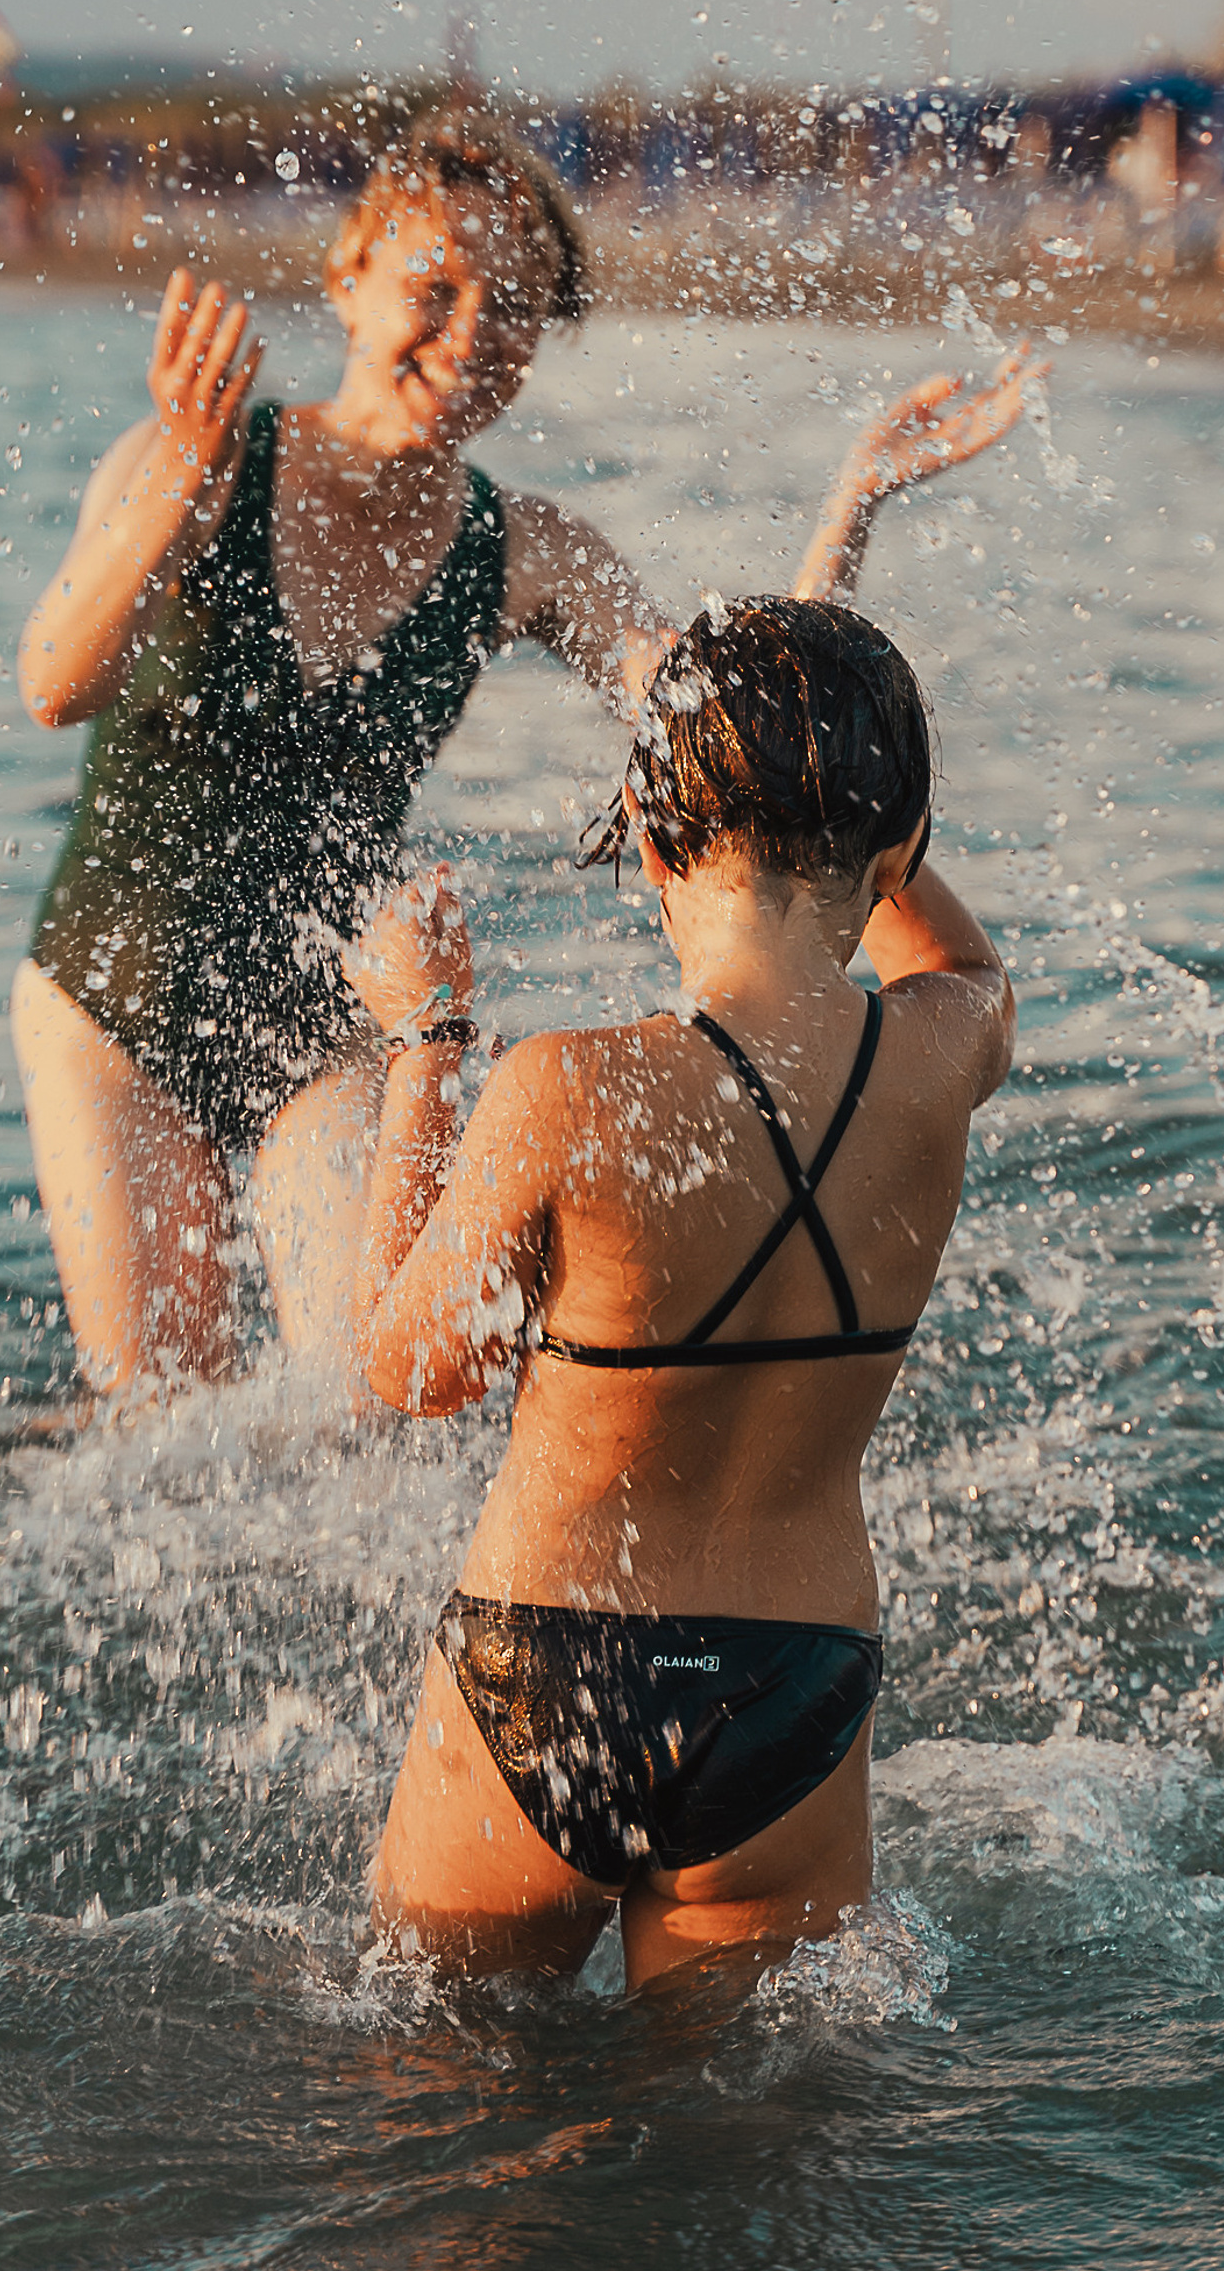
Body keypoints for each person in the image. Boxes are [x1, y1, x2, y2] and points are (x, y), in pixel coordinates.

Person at [11, 105, 1036, 1391]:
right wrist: (184, 472)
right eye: (435, 289)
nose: (470, 336)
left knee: (368, 1406)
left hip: (330, 1014)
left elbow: (729, 730)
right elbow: (55, 683)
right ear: (349, 273)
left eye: (512, 311)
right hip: (115, 992)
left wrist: (852, 503)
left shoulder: (528, 551)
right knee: (159, 1415)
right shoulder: (195, 463)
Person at [348, 598, 1014, 1988]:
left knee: (437, 2093)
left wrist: (426, 1036)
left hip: (550, 1663)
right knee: (736, 2112)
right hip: (798, 1684)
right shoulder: (945, 1053)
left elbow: (410, 1369)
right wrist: (854, 800)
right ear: (897, 851)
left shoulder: (565, 1089)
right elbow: (959, 962)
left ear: (651, 845)